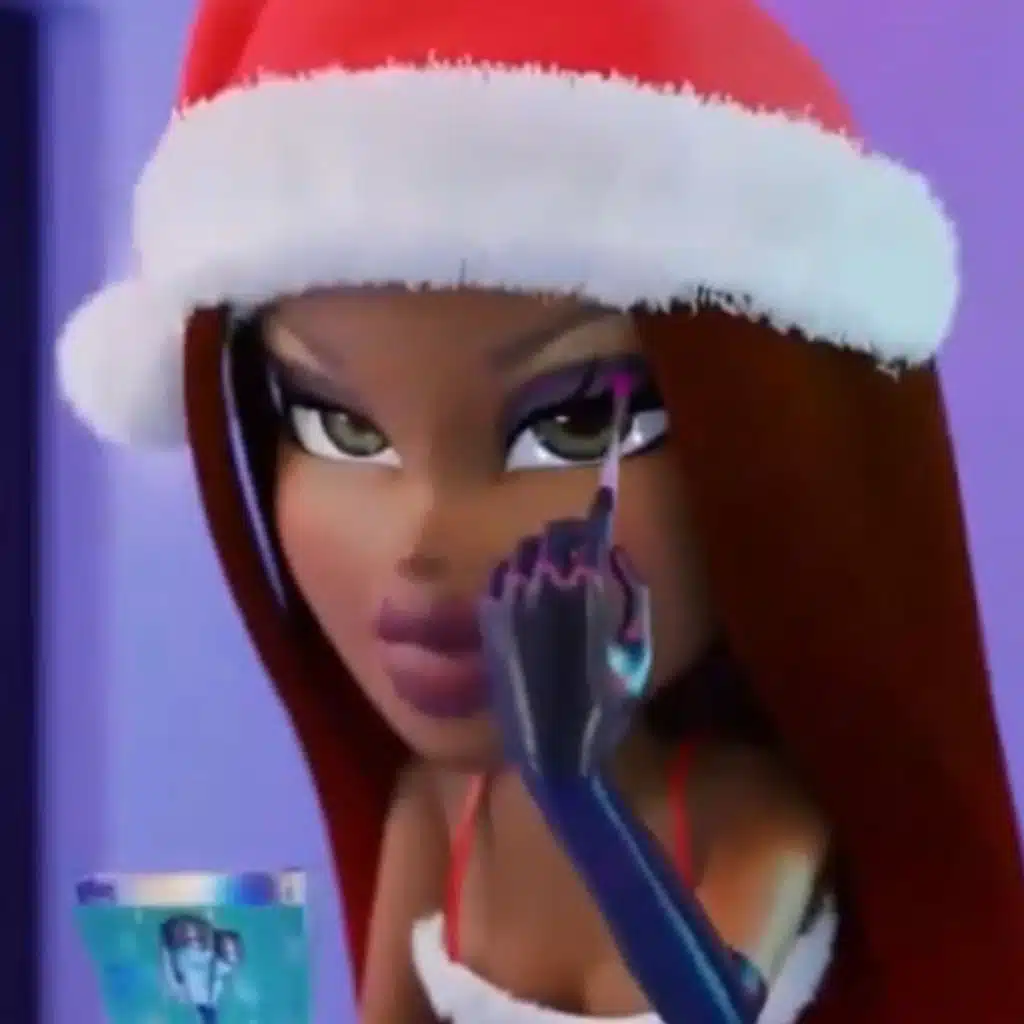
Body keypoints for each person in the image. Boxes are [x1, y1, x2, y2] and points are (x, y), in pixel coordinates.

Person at [57, 0, 1024, 1021]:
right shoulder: (437, 814)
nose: (424, 537)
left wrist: (577, 789)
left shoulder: (751, 815)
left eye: (570, 425)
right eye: (338, 428)